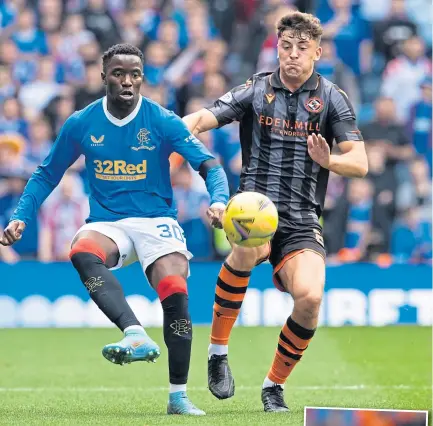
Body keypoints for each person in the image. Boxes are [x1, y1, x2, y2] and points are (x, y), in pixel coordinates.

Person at [0, 43, 229, 416]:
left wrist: (219, 199)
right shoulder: (81, 123)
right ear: (104, 76)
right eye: (119, 74)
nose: (127, 81)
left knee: (175, 290)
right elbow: (47, 173)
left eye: (135, 75)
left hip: (157, 220)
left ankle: (178, 395)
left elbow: (209, 165)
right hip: (109, 222)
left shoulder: (161, 120)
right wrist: (20, 215)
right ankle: (134, 331)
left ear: (142, 79)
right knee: (81, 252)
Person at [183, 11, 368, 412]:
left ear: (317, 52)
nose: (293, 55)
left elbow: (361, 163)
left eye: (302, 48)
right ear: (277, 48)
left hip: (303, 217)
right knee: (247, 248)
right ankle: (217, 353)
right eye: (286, 46)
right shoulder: (255, 89)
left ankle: (273, 387)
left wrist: (330, 159)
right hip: (255, 208)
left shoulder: (333, 98)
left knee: (310, 298)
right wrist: (179, 133)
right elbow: (203, 117)